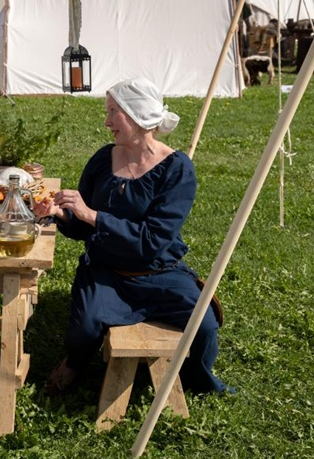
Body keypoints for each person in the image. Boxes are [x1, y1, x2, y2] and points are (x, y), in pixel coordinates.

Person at [35, 78, 232, 396]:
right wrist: (62, 215)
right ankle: (74, 363)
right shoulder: (103, 158)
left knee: (205, 325)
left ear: (138, 114)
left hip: (157, 272)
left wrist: (93, 215)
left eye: (114, 111)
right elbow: (84, 226)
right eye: (107, 111)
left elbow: (152, 240)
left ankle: (196, 379)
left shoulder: (176, 170)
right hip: (106, 271)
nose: (107, 121)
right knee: (84, 331)